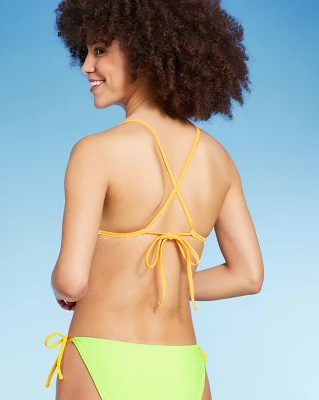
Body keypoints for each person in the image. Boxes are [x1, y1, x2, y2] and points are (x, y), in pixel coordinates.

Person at [44, 0, 264, 399]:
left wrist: (59, 286)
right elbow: (248, 276)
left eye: (100, 50)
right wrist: (171, 283)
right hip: (184, 368)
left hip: (101, 357)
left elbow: (72, 281)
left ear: (145, 50)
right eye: (86, 51)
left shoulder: (94, 151)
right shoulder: (219, 160)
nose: (86, 66)